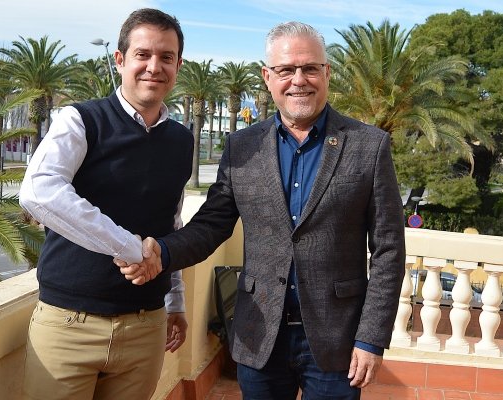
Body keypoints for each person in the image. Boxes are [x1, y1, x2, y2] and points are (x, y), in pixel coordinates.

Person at [118, 21, 405, 399]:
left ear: (327, 73)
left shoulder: (368, 146)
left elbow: (388, 249)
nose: (298, 80)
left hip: (337, 341)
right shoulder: (242, 146)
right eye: (286, 70)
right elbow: (212, 224)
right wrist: (164, 252)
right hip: (259, 336)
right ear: (268, 77)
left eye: (310, 68)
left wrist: (371, 339)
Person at [18, 8, 193, 400]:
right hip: (68, 326)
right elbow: (39, 190)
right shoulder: (80, 120)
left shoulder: (182, 140)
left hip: (147, 328)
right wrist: (130, 248)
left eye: (166, 57)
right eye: (142, 55)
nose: (154, 67)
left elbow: (172, 220)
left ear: (178, 65)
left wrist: (175, 300)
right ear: (120, 60)